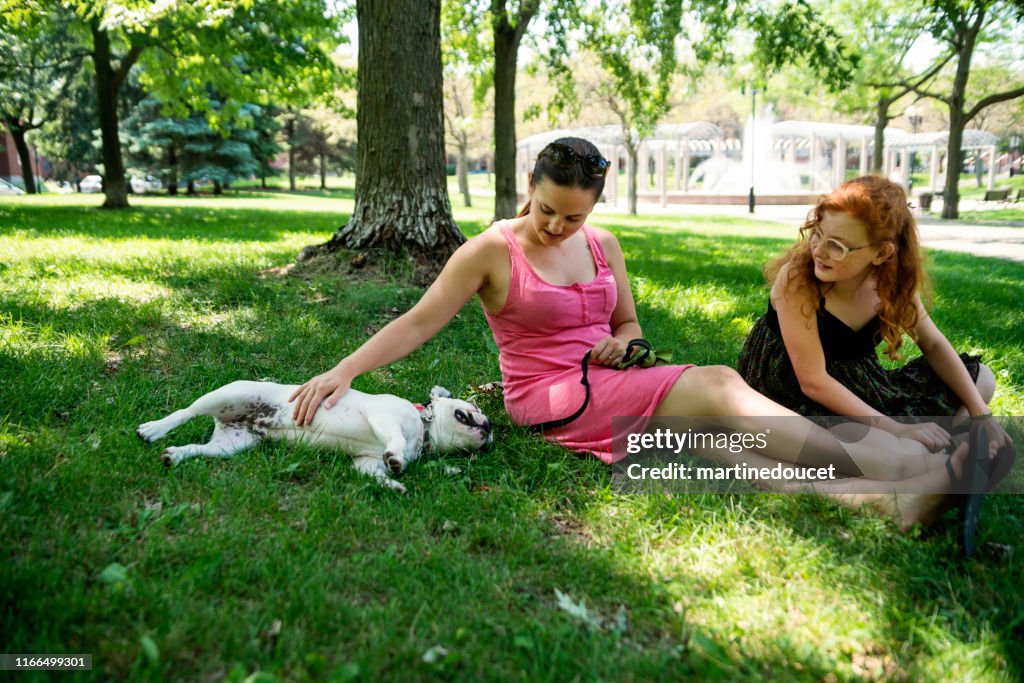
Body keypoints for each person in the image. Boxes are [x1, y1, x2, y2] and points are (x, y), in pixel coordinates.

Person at [289, 138, 976, 531]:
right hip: (548, 396)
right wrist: (344, 370)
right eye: (548, 210)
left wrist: (625, 339)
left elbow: (627, 323)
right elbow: (419, 320)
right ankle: (887, 458)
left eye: (574, 216)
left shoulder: (605, 244)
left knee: (713, 446)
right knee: (717, 387)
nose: (558, 227)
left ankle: (890, 502)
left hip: (611, 378)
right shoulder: (490, 251)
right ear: (530, 184)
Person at [738, 175, 1010, 456]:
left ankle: (952, 438)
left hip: (858, 383)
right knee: (887, 446)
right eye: (817, 234)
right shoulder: (797, 279)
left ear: (881, 253)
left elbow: (933, 344)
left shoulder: (890, 285)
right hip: (792, 387)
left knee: (982, 380)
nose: (818, 251)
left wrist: (981, 413)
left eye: (837, 246)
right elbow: (813, 381)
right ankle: (937, 449)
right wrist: (898, 428)